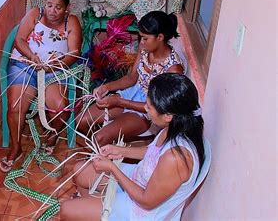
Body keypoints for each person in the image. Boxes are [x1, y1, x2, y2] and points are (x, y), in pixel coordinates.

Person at [61, 73, 206, 220]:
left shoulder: (175, 158)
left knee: (67, 210)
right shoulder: (172, 127)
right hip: (139, 177)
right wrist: (119, 150)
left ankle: (95, 210)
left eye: (149, 107)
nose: (145, 108)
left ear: (168, 115)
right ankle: (93, 209)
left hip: (140, 210)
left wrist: (113, 168)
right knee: (79, 170)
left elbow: (146, 201)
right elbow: (151, 152)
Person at [0, 0, 82, 172]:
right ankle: (16, 148)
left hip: (54, 70)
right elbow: (19, 40)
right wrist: (32, 57)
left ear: (67, 8)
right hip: (25, 65)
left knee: (61, 106)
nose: (52, 10)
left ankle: (52, 137)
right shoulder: (35, 14)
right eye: (49, 5)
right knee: (15, 106)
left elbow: (74, 52)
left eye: (58, 7)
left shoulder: (72, 21)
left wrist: (56, 64)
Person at [77, 11, 184, 146]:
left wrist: (119, 102)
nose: (142, 42)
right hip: (131, 94)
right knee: (81, 120)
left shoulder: (173, 69)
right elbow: (132, 77)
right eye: (141, 37)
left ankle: (104, 153)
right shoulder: (145, 48)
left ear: (160, 37)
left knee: (99, 138)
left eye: (145, 38)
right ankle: (103, 151)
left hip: (148, 111)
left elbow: (158, 108)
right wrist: (107, 87)